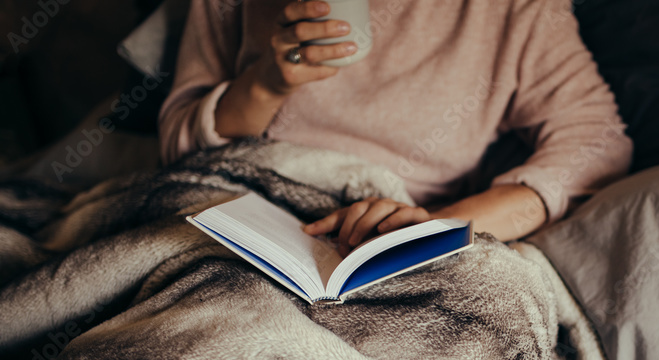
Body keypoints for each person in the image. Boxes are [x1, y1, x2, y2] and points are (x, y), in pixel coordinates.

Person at [159, 0, 632, 254]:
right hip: (240, 203)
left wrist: (439, 225)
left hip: (387, 239)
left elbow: (596, 144)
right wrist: (264, 85)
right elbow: (176, 146)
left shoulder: (514, 12)